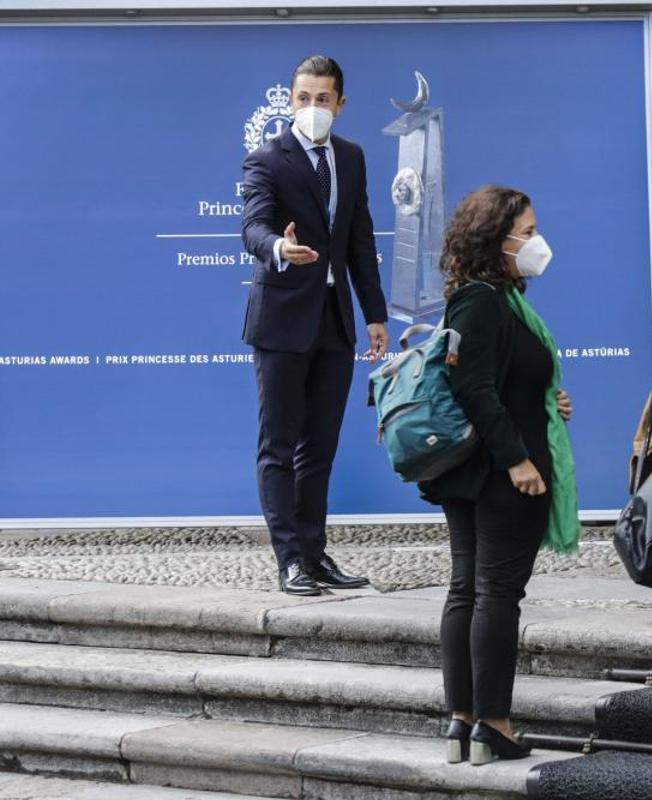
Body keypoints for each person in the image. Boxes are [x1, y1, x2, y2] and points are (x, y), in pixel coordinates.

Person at [418, 186, 580, 765]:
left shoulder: (495, 299)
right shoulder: (482, 300)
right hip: (501, 473)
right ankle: (493, 722)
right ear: (497, 239)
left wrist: (545, 400)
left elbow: (502, 378)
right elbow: (474, 387)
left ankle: (462, 722)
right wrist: (518, 460)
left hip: (481, 469)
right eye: (528, 232)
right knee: (493, 594)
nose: (538, 242)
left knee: (470, 590)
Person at [240, 55, 389, 596]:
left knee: (319, 448)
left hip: (334, 320)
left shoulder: (351, 157)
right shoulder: (266, 158)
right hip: (281, 320)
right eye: (303, 98)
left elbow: (359, 240)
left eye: (322, 99)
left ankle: (314, 553)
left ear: (340, 104)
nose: (312, 107)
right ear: (290, 100)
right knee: (278, 447)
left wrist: (375, 314)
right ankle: (290, 561)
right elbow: (253, 226)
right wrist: (279, 248)